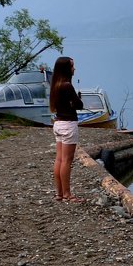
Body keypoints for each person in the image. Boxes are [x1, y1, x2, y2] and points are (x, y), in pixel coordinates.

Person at [49, 55, 84, 202]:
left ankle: (59, 193)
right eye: (72, 66)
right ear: (66, 69)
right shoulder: (67, 85)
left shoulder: (55, 85)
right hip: (69, 124)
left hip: (58, 124)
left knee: (59, 159)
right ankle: (67, 194)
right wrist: (76, 100)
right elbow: (79, 105)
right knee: (67, 161)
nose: (74, 68)